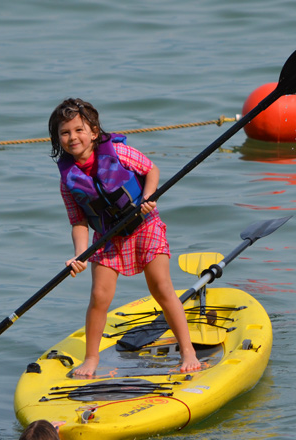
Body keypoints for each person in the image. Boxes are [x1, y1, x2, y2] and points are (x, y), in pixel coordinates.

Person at [48, 98, 202, 377]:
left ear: (94, 132)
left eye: (79, 130)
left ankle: (188, 351)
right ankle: (91, 359)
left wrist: (148, 197)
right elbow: (78, 220)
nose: (72, 137)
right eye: (65, 132)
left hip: (145, 224)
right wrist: (80, 254)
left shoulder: (119, 153)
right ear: (58, 138)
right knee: (99, 296)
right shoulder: (67, 180)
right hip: (107, 236)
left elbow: (151, 170)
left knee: (161, 287)